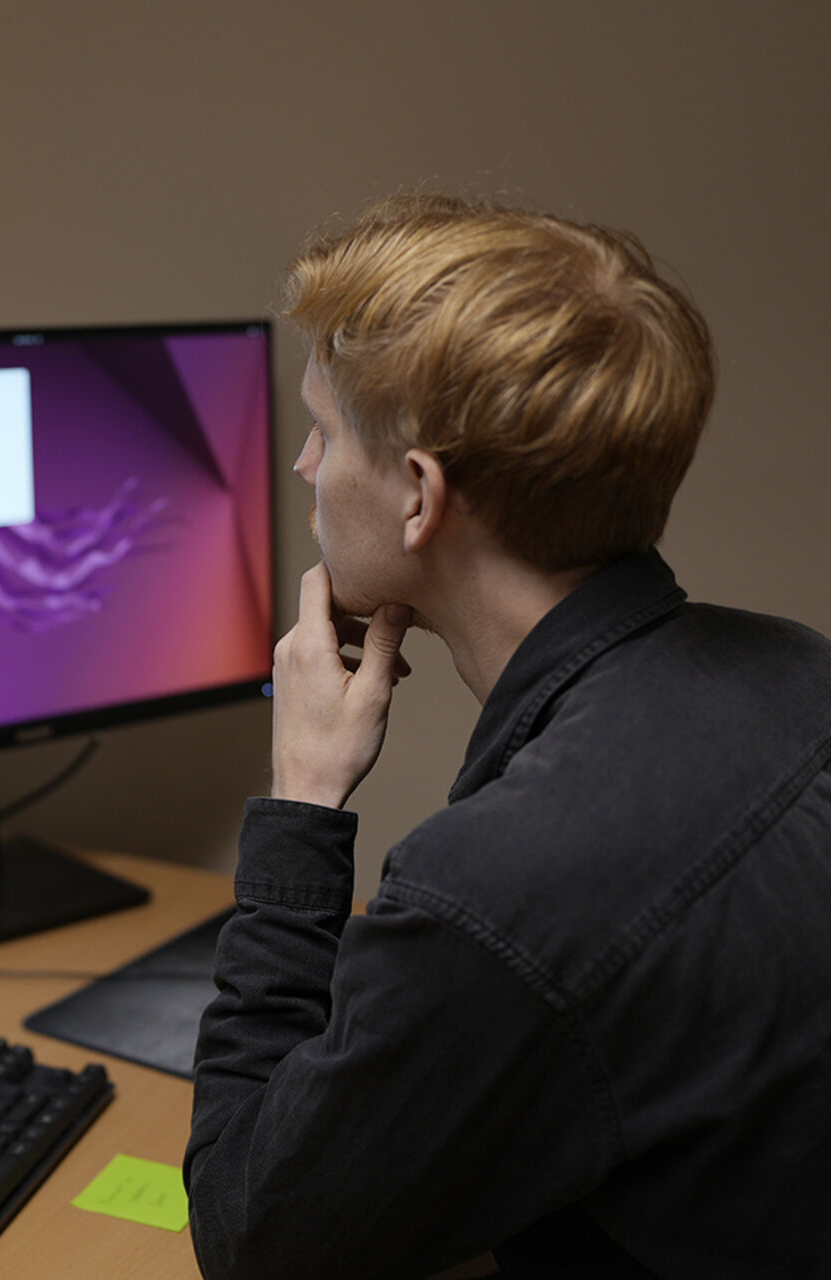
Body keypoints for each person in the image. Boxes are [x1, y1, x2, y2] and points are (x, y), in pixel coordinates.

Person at [183, 193, 831, 1279]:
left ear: (417, 496)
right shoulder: (797, 664)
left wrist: (300, 804)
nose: (303, 468)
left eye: (324, 431)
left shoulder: (499, 890)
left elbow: (255, 1240)